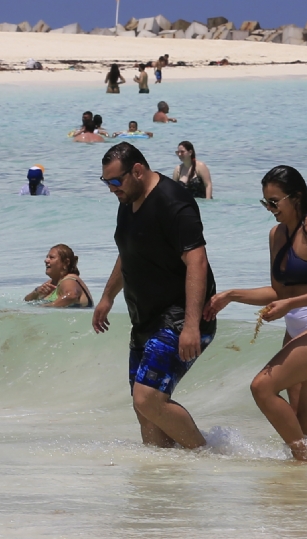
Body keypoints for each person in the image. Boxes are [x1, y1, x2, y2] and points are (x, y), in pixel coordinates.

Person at [207, 166, 307, 462]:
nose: (270, 209)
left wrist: (290, 304)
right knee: (304, 421)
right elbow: (279, 292)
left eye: (275, 202)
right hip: (298, 329)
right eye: (265, 203)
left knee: (262, 387)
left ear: (295, 197)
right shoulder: (276, 234)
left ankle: (304, 460)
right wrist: (231, 295)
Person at [92, 142, 216, 450]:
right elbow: (129, 252)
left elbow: (197, 261)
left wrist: (190, 326)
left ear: (137, 171)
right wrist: (107, 297)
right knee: (144, 409)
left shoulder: (173, 202)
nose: (111, 189)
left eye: (115, 181)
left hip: (178, 317)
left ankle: (207, 459)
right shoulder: (128, 199)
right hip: (145, 318)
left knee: (148, 398)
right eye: (106, 182)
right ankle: (163, 481)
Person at [26, 245, 92, 308]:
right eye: (47, 257)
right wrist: (36, 293)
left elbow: (72, 295)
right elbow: (26, 301)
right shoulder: (51, 283)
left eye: (51, 257)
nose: (46, 260)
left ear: (66, 262)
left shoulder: (69, 280)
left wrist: (46, 307)